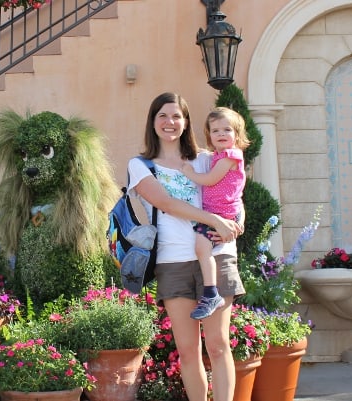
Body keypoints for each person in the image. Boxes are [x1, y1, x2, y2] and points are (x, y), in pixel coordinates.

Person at [127, 92, 245, 401]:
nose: (170, 122)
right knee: (189, 351)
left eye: (177, 115)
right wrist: (213, 219)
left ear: (186, 121)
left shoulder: (205, 158)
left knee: (218, 345)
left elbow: (235, 192)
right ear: (153, 122)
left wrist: (237, 222)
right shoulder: (141, 165)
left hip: (217, 255)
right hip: (173, 260)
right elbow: (165, 202)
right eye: (163, 116)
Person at [180, 107, 249, 320]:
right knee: (202, 248)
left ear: (237, 135)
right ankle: (210, 293)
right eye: (215, 130)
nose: (220, 134)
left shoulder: (231, 155)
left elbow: (210, 179)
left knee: (202, 248)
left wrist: (190, 173)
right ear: (209, 135)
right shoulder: (218, 156)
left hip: (223, 214)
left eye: (227, 130)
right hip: (217, 213)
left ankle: (211, 293)